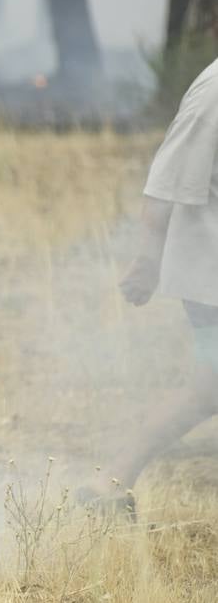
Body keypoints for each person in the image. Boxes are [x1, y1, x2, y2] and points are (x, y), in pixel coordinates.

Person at [79, 58, 218, 517]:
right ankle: (109, 480)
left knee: (209, 389)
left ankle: (109, 481)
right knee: (210, 388)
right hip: (211, 274)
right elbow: (164, 185)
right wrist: (147, 261)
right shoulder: (214, 90)